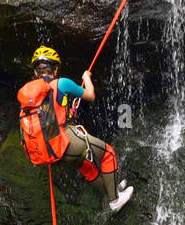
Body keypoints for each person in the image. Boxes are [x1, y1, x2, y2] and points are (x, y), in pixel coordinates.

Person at [17, 45, 134, 212]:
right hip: (66, 141)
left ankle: (112, 190)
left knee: (87, 167)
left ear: (36, 72)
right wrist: (86, 77)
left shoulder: (30, 95)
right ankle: (115, 200)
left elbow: (47, 119)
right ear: (56, 69)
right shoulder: (62, 83)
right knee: (108, 154)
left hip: (52, 148)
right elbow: (90, 96)